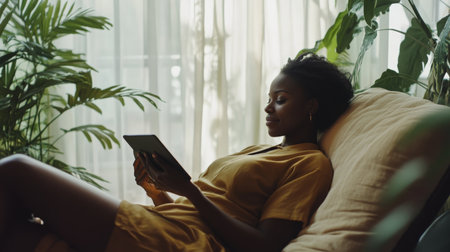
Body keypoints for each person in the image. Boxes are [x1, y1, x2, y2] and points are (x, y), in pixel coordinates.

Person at [0, 52, 353, 252]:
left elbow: (263, 247)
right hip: (168, 225)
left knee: (15, 169)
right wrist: (157, 191)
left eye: (281, 100)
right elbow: (194, 210)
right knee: (17, 235)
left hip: (180, 244)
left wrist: (190, 191)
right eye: (269, 99)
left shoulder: (310, 164)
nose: (268, 108)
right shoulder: (260, 151)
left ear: (311, 107)